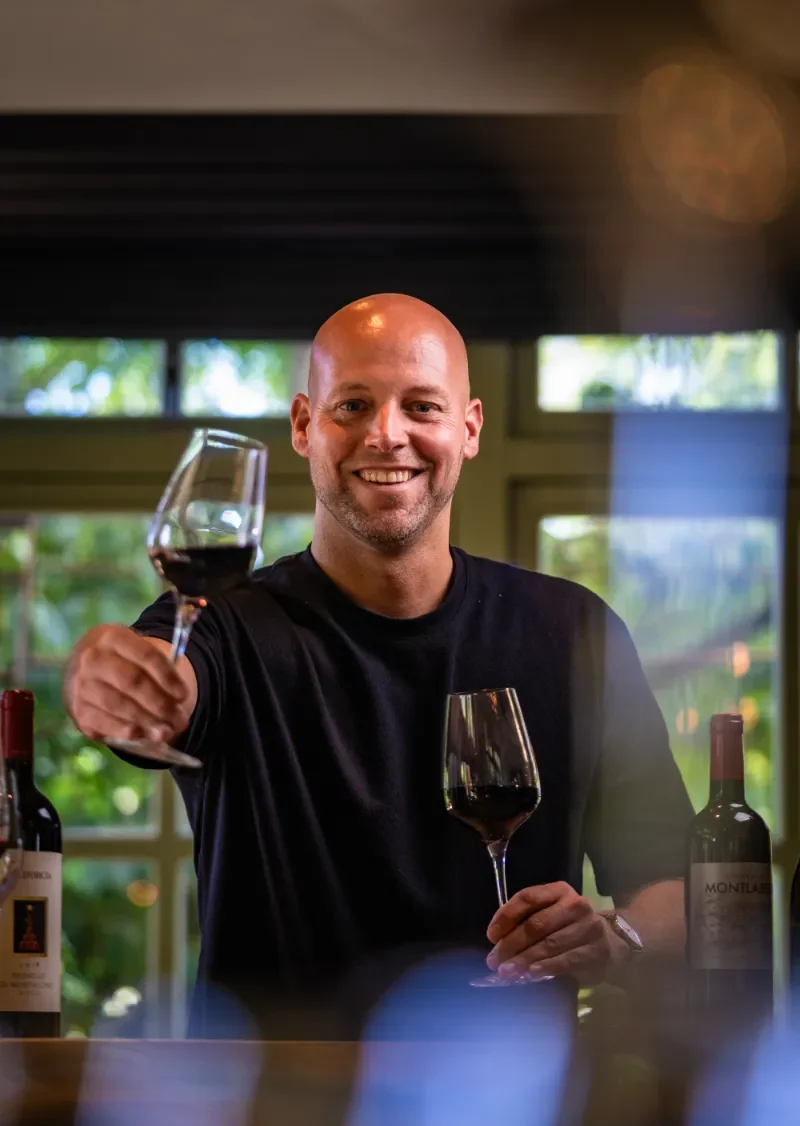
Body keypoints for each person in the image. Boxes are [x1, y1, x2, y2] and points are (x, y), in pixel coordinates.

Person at [64, 293, 693, 1038]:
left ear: (469, 429)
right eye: (353, 406)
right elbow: (162, 681)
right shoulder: (227, 626)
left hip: (506, 1097)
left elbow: (680, 891)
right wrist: (106, 680)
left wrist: (617, 941)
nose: (387, 435)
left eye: (422, 407)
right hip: (272, 1099)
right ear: (304, 426)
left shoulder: (577, 632)